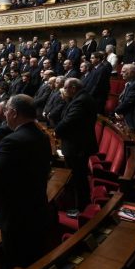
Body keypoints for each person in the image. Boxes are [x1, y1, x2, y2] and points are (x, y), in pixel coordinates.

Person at [0, 94, 52, 269]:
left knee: (14, 263)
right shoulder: (43, 137)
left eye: (6, 110)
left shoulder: (11, 141)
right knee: (32, 261)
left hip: (15, 215)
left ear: (14, 113)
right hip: (37, 208)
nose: (5, 114)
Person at [53, 78, 97, 211]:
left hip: (77, 147)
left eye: (66, 88)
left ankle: (80, 208)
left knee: (78, 178)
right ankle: (77, 205)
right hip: (77, 145)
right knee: (77, 178)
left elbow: (69, 121)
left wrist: (57, 131)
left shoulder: (81, 101)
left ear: (73, 88)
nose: (64, 91)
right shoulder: (80, 98)